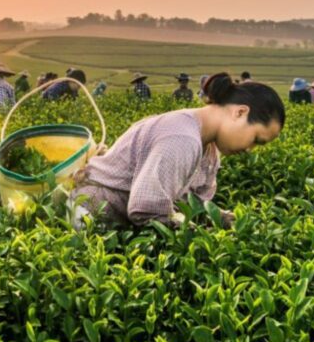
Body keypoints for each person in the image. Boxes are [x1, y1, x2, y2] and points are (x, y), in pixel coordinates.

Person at [70, 72, 285, 228]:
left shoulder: (208, 147)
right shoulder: (182, 138)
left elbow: (188, 201)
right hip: (92, 217)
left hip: (117, 223)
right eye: (256, 139)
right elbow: (146, 210)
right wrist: (198, 236)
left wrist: (220, 217)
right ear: (240, 113)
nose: (251, 149)